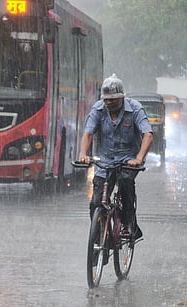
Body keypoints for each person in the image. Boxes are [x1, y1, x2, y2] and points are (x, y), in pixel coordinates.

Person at [78, 74, 153, 238]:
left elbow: (148, 135)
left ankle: (129, 223)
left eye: (112, 100)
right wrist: (83, 154)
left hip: (128, 161)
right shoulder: (98, 109)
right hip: (104, 162)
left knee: (126, 182)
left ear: (121, 98)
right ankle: (99, 241)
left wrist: (139, 159)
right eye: (106, 100)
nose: (108, 103)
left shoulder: (135, 109)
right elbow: (88, 133)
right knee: (95, 203)